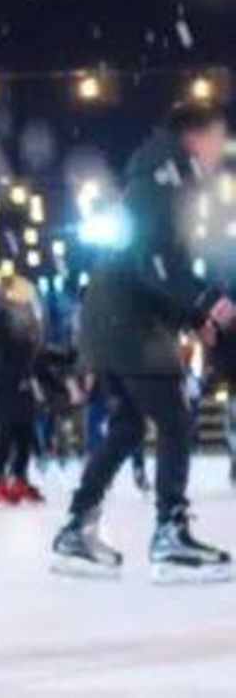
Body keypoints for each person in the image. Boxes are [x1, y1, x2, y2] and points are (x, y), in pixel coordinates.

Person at [52, 100, 234, 584]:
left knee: (129, 425)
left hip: (116, 316)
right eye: (219, 136)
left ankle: (77, 527)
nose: (222, 148)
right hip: (128, 322)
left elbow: (151, 261)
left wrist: (191, 313)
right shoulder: (164, 175)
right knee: (174, 419)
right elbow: (149, 258)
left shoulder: (161, 173)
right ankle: (170, 536)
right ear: (197, 134)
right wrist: (205, 301)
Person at [0, 276, 45, 505]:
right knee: (6, 433)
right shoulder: (0, 315)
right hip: (7, 383)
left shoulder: (27, 316)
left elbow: (33, 350)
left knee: (25, 433)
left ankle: (19, 478)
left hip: (24, 381)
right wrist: (16, 371)